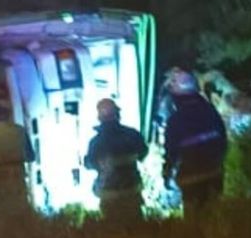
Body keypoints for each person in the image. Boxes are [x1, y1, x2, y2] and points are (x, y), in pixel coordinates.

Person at [162, 69, 228, 215]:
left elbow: (171, 153)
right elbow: (223, 140)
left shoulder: (175, 120)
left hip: (191, 179)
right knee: (216, 220)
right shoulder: (210, 111)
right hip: (214, 174)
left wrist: (167, 174)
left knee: (195, 224)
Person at [85, 99, 148, 226]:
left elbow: (89, 163)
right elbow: (143, 153)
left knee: (112, 230)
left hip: (109, 194)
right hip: (132, 191)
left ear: (99, 117)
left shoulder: (96, 142)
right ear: (117, 114)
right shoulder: (132, 135)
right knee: (136, 230)